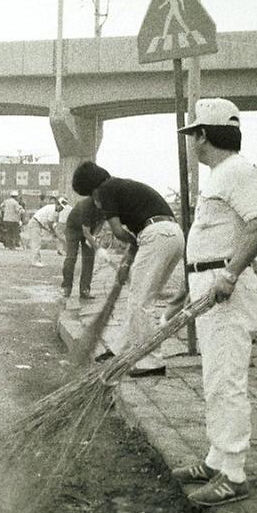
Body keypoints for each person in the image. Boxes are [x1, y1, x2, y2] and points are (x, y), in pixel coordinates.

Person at [170, 98, 257, 507]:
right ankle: (215, 459)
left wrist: (227, 275)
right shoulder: (221, 175)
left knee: (227, 382)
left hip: (225, 287)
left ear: (204, 136)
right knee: (215, 378)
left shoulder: (238, 171)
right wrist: (186, 287)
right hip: (208, 283)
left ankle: (234, 474)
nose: (191, 142)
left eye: (193, 134)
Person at [73, 161, 184, 377]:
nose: (94, 202)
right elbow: (136, 235)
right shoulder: (120, 186)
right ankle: (118, 350)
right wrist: (126, 263)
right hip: (172, 235)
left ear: (92, 188)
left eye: (90, 195)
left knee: (140, 302)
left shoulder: (104, 190)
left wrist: (130, 250)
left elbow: (119, 232)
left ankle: (152, 363)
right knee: (140, 297)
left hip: (156, 235)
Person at [61, 196, 107, 299]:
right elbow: (85, 232)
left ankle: (85, 290)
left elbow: (100, 222)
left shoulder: (106, 205)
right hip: (73, 228)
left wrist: (94, 236)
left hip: (90, 229)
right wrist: (98, 248)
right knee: (71, 257)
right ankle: (66, 287)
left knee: (89, 259)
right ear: (95, 200)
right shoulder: (85, 205)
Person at [26, 196, 68, 267]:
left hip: (38, 224)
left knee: (37, 242)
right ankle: (34, 261)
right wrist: (52, 232)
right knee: (36, 243)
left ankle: (37, 260)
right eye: (61, 207)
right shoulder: (52, 209)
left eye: (63, 208)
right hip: (35, 223)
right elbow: (49, 223)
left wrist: (53, 231)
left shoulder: (55, 211)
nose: (61, 209)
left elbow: (52, 224)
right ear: (57, 204)